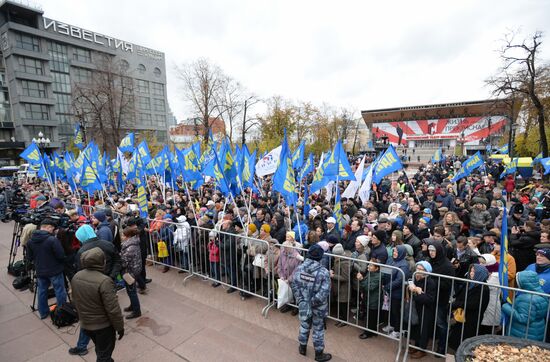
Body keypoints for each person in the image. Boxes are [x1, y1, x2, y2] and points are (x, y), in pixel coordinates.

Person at [71, 248, 124, 362]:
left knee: (101, 349)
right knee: (104, 355)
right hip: (103, 327)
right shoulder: (104, 281)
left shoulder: (76, 276)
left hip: (86, 325)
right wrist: (120, 327)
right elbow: (113, 309)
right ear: (101, 262)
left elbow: (75, 299)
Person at [291, 244, 332, 361]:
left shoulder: (300, 268)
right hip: (318, 307)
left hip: (303, 304)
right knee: (318, 329)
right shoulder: (323, 272)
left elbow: (294, 285)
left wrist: (301, 300)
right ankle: (319, 354)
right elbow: (324, 292)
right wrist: (312, 302)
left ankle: (302, 347)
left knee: (304, 325)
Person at [26, 218, 67, 319]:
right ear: (48, 227)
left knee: (42, 291)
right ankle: (62, 313)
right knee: (59, 291)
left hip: (40, 270)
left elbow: (29, 257)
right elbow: (61, 255)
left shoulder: (31, 241)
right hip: (55, 270)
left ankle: (43, 313)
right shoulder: (52, 240)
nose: (53, 231)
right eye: (53, 229)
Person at [448, 264, 490, 351]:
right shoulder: (470, 283)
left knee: (466, 342)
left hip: (472, 319)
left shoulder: (483, 288)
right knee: (456, 340)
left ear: (480, 274)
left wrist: (457, 304)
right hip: (462, 316)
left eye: (474, 272)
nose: (471, 273)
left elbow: (474, 304)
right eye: (471, 271)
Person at [502, 270, 549, 342]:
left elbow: (523, 319)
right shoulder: (542, 295)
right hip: (537, 331)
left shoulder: (527, 299)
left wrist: (506, 307)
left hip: (522, 334)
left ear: (524, 283)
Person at [408, 261, 437, 359]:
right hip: (417, 308)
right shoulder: (416, 278)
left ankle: (422, 350)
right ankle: (416, 346)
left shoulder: (430, 282)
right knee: (417, 327)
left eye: (421, 269)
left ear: (427, 271)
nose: (418, 271)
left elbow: (430, 299)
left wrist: (418, 292)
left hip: (426, 310)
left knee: (424, 329)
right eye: (417, 268)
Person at [120, 227, 142, 319]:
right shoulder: (131, 243)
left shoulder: (130, 246)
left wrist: (118, 257)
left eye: (122, 235)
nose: (121, 236)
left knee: (132, 291)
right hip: (132, 270)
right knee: (130, 290)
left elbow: (124, 261)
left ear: (127, 236)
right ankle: (133, 306)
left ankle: (137, 311)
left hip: (131, 272)